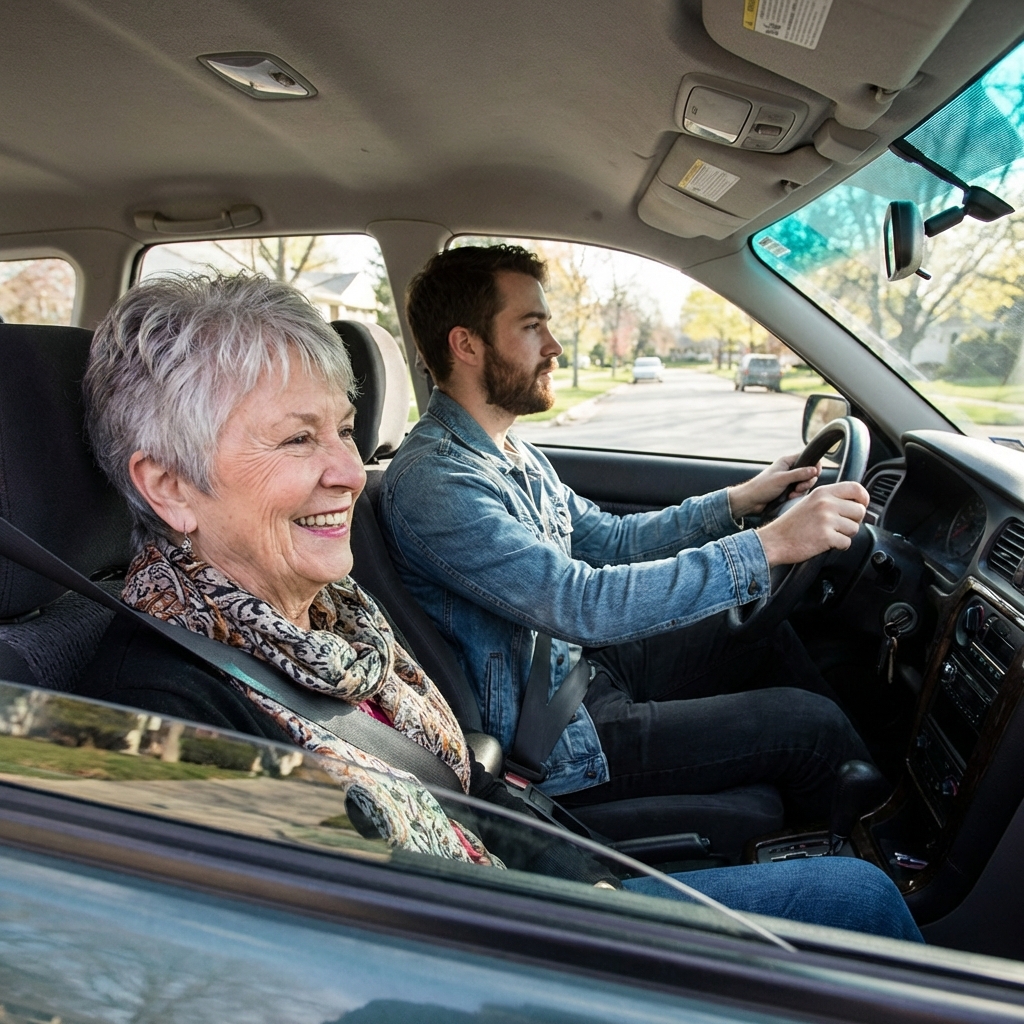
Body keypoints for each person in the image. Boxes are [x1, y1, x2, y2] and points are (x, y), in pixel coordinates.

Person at [79, 272, 920, 942]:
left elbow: (594, 542)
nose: (346, 469)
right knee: (861, 895)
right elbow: (329, 960)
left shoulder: (325, 615)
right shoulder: (162, 721)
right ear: (169, 485)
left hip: (507, 874)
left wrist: (737, 506)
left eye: (343, 428)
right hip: (501, 949)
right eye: (298, 439)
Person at [379, 244, 873, 817]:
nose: (555, 347)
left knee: (763, 632)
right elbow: (578, 602)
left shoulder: (509, 452)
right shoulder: (436, 482)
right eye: (532, 326)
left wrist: (740, 501)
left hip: (582, 672)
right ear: (466, 344)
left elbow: (612, 540)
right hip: (554, 739)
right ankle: (893, 862)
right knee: (811, 727)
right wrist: (772, 544)